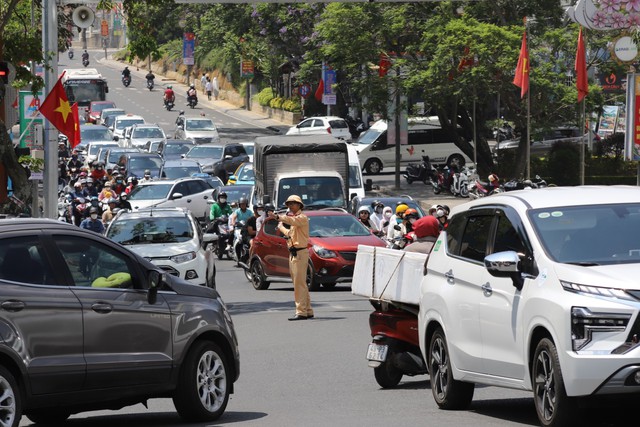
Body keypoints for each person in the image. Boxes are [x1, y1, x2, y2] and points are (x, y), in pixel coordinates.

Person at [267, 195, 313, 321]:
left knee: (299, 284)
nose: (290, 206)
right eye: (289, 204)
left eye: (293, 203)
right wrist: (280, 226)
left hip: (300, 253)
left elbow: (293, 221)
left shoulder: (302, 217)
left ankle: (301, 311)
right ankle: (307, 310)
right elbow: (290, 233)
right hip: (294, 253)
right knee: (299, 283)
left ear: (299, 205)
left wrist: (278, 217)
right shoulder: (295, 219)